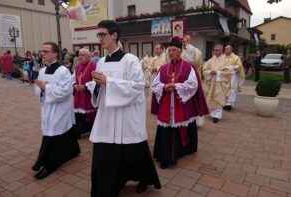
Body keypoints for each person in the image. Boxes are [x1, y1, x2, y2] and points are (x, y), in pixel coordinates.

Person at [86, 20, 161, 197]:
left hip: (127, 116)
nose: (100, 38)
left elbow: (137, 86)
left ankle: (144, 178)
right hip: (107, 117)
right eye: (99, 35)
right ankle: (107, 186)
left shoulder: (130, 60)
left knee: (133, 153)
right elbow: (99, 88)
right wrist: (96, 85)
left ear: (114, 35)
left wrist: (108, 82)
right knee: (105, 154)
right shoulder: (101, 62)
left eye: (102, 34)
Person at [151, 36, 209, 169]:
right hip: (167, 105)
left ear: (180, 51)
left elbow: (193, 85)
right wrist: (164, 87)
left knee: (183, 126)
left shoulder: (189, 67)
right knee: (167, 128)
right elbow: (155, 85)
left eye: (174, 50)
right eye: (169, 51)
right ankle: (166, 157)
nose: (171, 53)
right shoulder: (163, 68)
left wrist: (176, 87)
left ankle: (184, 150)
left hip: (182, 104)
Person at [32, 41, 80, 180]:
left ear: (55, 53)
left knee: (53, 134)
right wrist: (41, 89)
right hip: (48, 107)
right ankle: (73, 151)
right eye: (43, 51)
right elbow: (37, 89)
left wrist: (45, 88)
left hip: (60, 109)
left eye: (46, 51)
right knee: (60, 132)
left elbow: (66, 91)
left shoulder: (63, 71)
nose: (43, 54)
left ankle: (49, 164)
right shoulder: (42, 71)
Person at [202, 45, 232, 123]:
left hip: (220, 83)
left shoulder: (226, 60)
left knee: (218, 98)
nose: (215, 51)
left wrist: (218, 73)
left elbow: (228, 72)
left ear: (222, 51)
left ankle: (217, 116)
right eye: (214, 50)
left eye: (217, 50)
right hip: (211, 82)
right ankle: (213, 114)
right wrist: (209, 72)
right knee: (211, 98)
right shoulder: (210, 60)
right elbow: (204, 69)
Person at [73, 48, 97, 139]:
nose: (80, 57)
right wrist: (75, 85)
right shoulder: (77, 67)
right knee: (78, 115)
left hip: (88, 94)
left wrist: (85, 87)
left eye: (82, 55)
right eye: (79, 55)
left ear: (88, 57)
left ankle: (88, 130)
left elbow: (96, 81)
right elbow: (73, 79)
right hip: (78, 94)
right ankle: (78, 131)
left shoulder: (94, 66)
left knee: (88, 115)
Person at [223, 45, 245, 111]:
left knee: (232, 90)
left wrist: (230, 68)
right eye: (225, 49)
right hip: (224, 76)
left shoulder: (236, 57)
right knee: (224, 89)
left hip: (233, 76)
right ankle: (224, 103)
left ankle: (229, 104)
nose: (225, 50)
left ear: (231, 50)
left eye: (227, 49)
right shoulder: (222, 57)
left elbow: (239, 66)